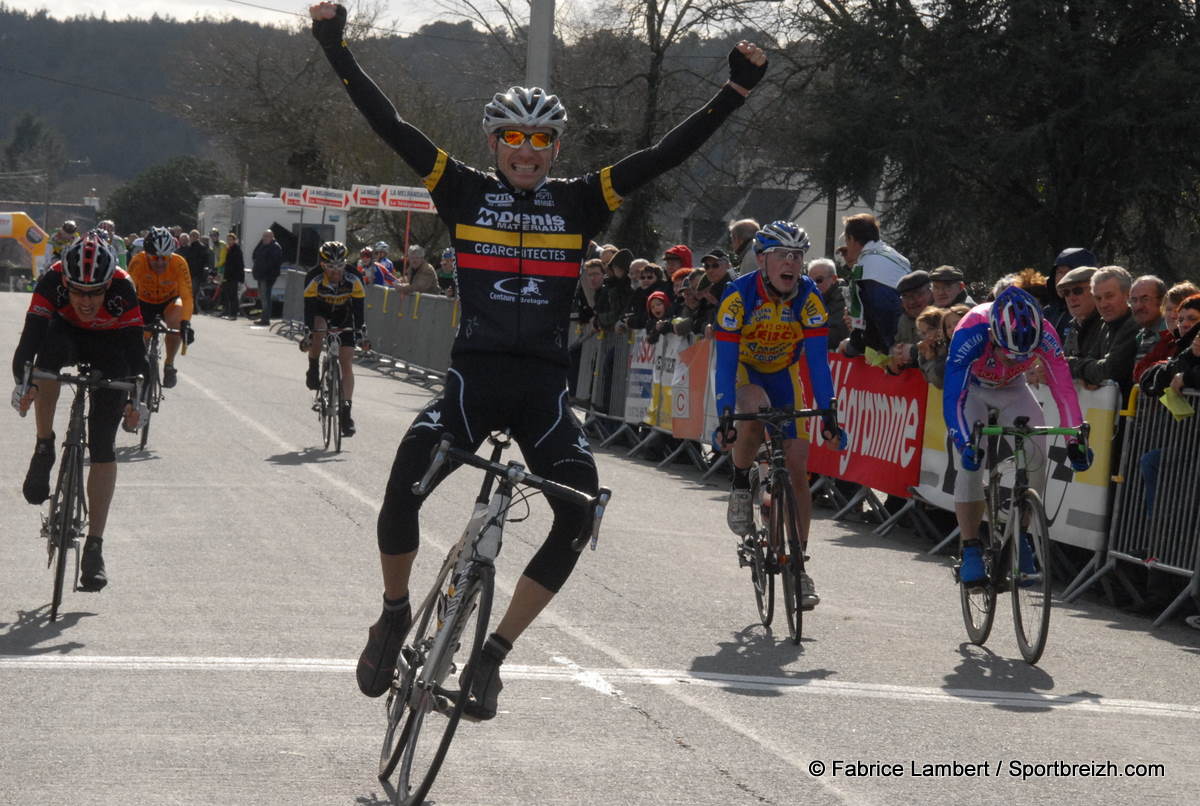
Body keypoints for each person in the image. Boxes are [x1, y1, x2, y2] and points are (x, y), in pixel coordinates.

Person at [310, 0, 769, 717]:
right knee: (403, 485)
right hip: (473, 382)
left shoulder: (582, 201)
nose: (526, 152)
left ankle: (493, 655)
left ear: (555, 149)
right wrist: (336, 47)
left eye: (541, 142)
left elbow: (662, 156)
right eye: (513, 140)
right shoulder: (458, 188)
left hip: (546, 395)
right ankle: (395, 610)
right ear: (494, 145)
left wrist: (734, 92)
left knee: (578, 512)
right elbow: (389, 123)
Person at [712, 221, 845, 610]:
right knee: (752, 409)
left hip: (785, 374)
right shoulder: (737, 296)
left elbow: (818, 365)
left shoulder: (808, 297)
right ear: (762, 259)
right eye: (783, 256)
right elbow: (724, 363)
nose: (792, 263)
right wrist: (725, 415)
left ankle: (799, 565)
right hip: (744, 371)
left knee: (799, 469)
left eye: (798, 256)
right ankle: (740, 483)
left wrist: (830, 412)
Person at [11, 231, 145, 591]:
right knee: (46, 360)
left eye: (95, 292)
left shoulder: (123, 287)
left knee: (103, 445)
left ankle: (95, 548)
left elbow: (136, 354)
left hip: (112, 346)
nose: (87, 301)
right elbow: (28, 343)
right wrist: (25, 386)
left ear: (108, 285)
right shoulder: (52, 278)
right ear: (65, 282)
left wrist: (136, 400)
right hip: (65, 337)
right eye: (78, 292)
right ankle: (44, 446)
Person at [943, 285, 1091, 588]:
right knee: (973, 460)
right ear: (994, 335)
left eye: (1023, 356)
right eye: (1009, 353)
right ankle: (970, 547)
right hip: (973, 391)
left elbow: (1063, 391)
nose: (1014, 359)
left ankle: (1020, 536)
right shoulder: (971, 329)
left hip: (1013, 390)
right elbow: (953, 398)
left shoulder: (1046, 334)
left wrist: (1075, 441)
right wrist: (964, 442)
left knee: (1037, 456)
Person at [302, 241, 367, 437]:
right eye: (331, 266)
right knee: (319, 329)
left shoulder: (354, 278)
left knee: (346, 363)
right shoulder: (313, 278)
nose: (336, 271)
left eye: (340, 266)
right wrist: (308, 333)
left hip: (344, 315)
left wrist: (361, 333)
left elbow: (359, 309)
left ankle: (346, 413)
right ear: (322, 265)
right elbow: (309, 309)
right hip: (320, 312)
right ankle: (313, 365)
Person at [127, 226, 195, 388]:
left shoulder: (179, 263)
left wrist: (186, 323)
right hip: (143, 302)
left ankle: (169, 364)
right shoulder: (138, 261)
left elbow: (186, 296)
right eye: (154, 258)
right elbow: (128, 292)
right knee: (142, 337)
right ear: (146, 254)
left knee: (177, 319)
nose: (159, 262)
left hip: (169, 302)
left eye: (164, 257)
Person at [839, 212, 908, 359]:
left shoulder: (866, 268)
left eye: (846, 240)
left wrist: (854, 345)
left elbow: (878, 314)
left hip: (892, 349)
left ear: (851, 239)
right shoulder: (894, 255)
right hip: (912, 333)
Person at [1068, 265, 1138, 394]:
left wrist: (1071, 365)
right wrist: (1087, 374)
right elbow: (1090, 359)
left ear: (1128, 294)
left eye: (1109, 296)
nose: (1103, 304)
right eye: (1098, 298)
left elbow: (1109, 370)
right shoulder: (1104, 324)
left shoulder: (1134, 324)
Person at [1045, 247, 1096, 337]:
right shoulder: (1047, 313)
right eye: (1059, 272)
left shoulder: (1100, 315)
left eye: (1067, 272)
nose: (1062, 278)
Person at [805, 258, 848, 348]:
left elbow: (835, 335)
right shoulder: (809, 299)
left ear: (833, 279)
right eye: (810, 282)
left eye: (819, 280)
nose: (814, 286)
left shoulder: (842, 297)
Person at [1129, 275, 1167, 363]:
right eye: (1134, 300)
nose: (1138, 306)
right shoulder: (1141, 337)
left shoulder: (1171, 335)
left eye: (1145, 299)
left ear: (1162, 301)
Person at [251, 229, 284, 326]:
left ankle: (265, 319)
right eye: (263, 236)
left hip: (268, 276)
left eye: (266, 236)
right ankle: (263, 317)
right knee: (262, 297)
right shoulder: (262, 245)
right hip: (261, 276)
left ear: (272, 237)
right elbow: (255, 254)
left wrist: (264, 271)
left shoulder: (275, 247)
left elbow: (273, 263)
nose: (264, 238)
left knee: (266, 297)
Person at [221, 232, 244, 319]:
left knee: (233, 296)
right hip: (229, 276)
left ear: (235, 240)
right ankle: (230, 313)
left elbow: (238, 264)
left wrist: (240, 277)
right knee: (229, 295)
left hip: (234, 276)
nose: (229, 241)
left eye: (231, 240)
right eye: (228, 240)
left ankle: (234, 314)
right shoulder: (229, 249)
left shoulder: (236, 249)